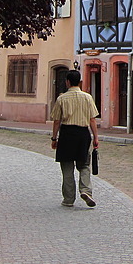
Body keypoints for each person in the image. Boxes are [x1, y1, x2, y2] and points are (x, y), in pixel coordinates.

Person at [50, 70, 99, 208]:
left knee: (67, 167)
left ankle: (68, 199)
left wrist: (54, 138)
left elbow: (56, 121)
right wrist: (96, 137)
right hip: (83, 134)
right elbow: (92, 120)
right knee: (84, 165)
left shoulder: (61, 99)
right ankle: (86, 191)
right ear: (80, 82)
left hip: (67, 134)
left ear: (67, 82)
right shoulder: (87, 97)